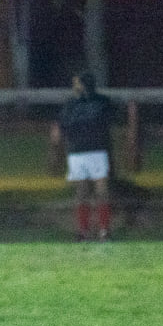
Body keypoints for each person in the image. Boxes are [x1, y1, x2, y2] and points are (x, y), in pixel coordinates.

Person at [55, 71, 115, 242]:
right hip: (77, 152)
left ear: (85, 84)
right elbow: (63, 124)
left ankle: (104, 230)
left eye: (78, 83)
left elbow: (107, 120)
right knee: (81, 191)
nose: (75, 87)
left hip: (97, 150)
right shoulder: (71, 104)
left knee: (102, 191)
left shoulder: (101, 102)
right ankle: (82, 231)